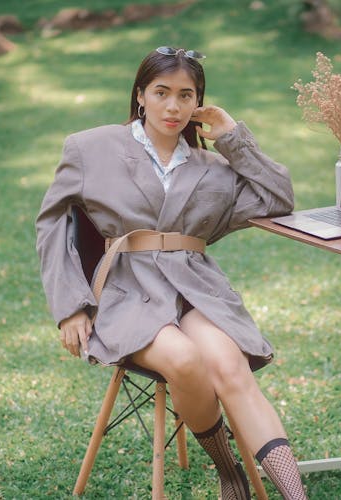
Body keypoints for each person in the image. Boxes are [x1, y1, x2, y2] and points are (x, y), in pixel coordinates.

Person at [36, 46, 307, 500]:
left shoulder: (215, 168)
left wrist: (233, 137)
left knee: (230, 368)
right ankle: (228, 471)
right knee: (185, 360)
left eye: (186, 95)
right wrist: (70, 309)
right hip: (125, 291)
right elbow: (52, 223)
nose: (173, 106)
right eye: (161, 92)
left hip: (194, 290)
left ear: (198, 103)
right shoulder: (90, 147)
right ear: (140, 95)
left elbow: (279, 198)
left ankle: (297, 498)